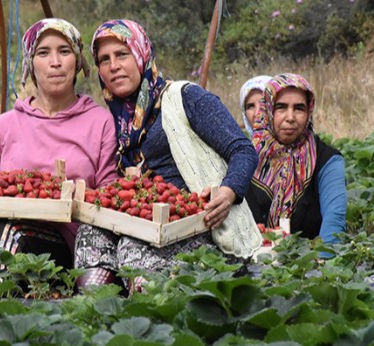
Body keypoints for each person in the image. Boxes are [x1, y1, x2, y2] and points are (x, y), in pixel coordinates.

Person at [74, 19, 260, 290]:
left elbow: (242, 150)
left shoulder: (185, 97)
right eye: (104, 59)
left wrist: (228, 192)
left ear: (141, 54)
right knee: (89, 235)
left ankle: (152, 319)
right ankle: (96, 313)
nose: (113, 66)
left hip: (199, 224)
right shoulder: (115, 121)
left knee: (133, 246)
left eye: (122, 54)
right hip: (143, 219)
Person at [0, 18, 119, 269]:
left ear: (78, 61)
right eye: (43, 53)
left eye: (64, 51)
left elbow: (109, 194)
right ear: (30, 64)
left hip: (63, 242)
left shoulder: (100, 123)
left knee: (6, 231)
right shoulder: (6, 124)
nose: (55, 62)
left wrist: (74, 199)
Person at [245, 73, 346, 254]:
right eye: (281, 108)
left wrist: (323, 267)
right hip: (248, 265)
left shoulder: (327, 161)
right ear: (267, 111)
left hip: (307, 266)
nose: (290, 117)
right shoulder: (245, 159)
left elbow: (334, 220)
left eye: (299, 108)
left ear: (309, 112)